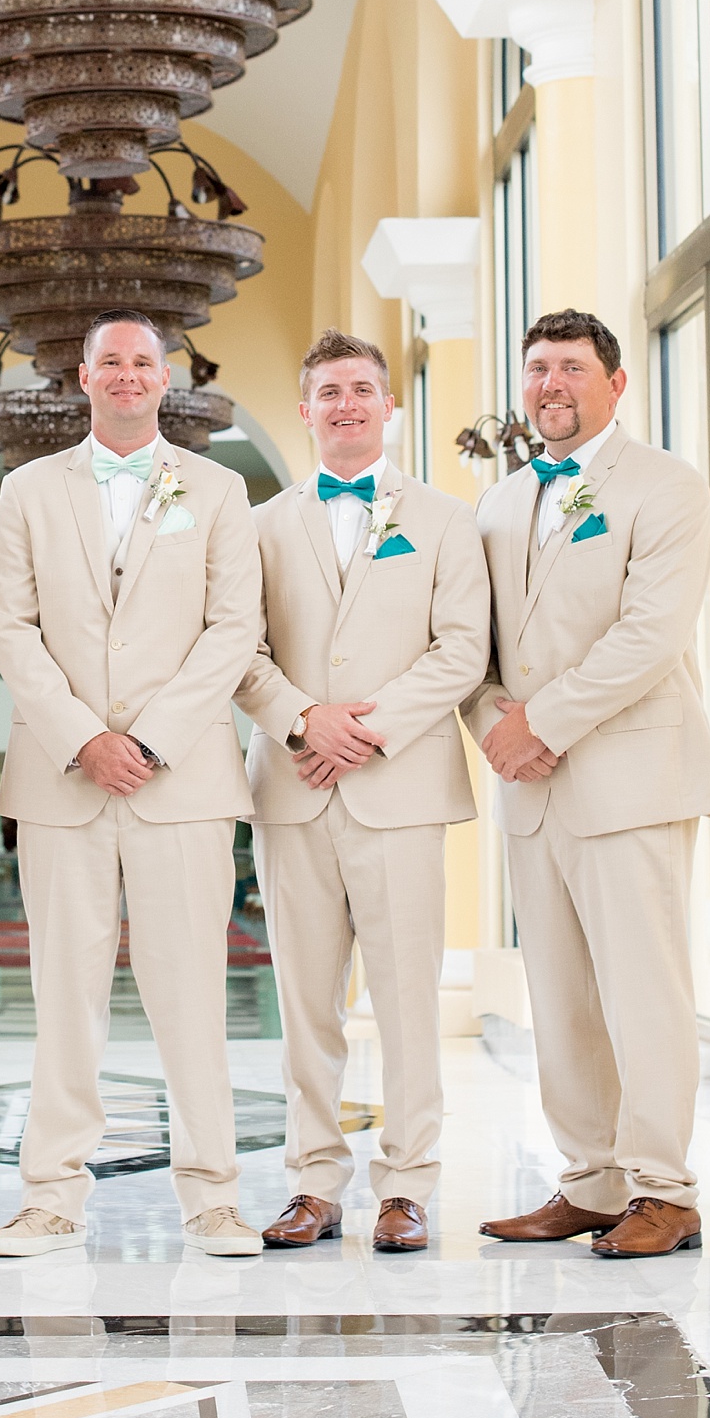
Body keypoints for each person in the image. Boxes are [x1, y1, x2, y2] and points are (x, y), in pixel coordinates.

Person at [0, 310, 264, 1257]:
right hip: (62, 780)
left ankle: (213, 1198)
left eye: (145, 362)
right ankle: (51, 1196)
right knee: (66, 993)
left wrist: (145, 739)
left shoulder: (219, 491)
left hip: (180, 780)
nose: (129, 375)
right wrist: (81, 739)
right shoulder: (26, 490)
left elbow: (234, 629)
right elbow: (10, 627)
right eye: (111, 361)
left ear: (166, 378)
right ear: (84, 374)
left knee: (191, 992)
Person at [465, 309, 710, 1258]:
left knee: (643, 991)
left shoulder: (666, 486)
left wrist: (545, 723)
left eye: (571, 369)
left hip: (632, 777)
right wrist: (497, 726)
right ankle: (590, 1181)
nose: (550, 386)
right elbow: (474, 645)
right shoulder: (498, 504)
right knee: (562, 996)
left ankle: (666, 1190)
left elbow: (650, 635)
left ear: (615, 384)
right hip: (531, 786)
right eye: (537, 369)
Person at [238, 330, 490, 1251]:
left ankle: (408, 1186)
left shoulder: (446, 519)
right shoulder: (261, 524)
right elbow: (240, 650)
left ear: (390, 407)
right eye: (327, 392)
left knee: (406, 998)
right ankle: (312, 1181)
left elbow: (462, 648)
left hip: (402, 790)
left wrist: (366, 728)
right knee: (305, 1001)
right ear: (304, 411)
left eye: (361, 389)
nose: (345, 405)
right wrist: (308, 720)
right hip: (294, 788)